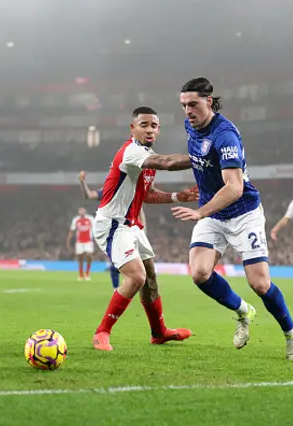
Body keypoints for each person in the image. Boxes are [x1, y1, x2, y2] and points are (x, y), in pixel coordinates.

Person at [171, 77, 293, 360]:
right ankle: (243, 311)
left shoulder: (226, 134)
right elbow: (199, 157)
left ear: (209, 100)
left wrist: (199, 211)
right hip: (212, 212)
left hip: (243, 213)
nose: (187, 111)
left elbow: (234, 187)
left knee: (260, 283)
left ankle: (291, 336)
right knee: (199, 273)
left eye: (193, 104)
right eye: (183, 105)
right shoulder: (190, 125)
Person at [91, 106, 199, 351]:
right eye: (144, 124)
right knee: (136, 276)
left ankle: (158, 332)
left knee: (150, 276)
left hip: (132, 225)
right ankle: (102, 332)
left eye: (154, 126)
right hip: (112, 224)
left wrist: (177, 196)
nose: (150, 129)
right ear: (133, 128)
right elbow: (168, 162)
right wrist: (201, 158)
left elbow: (147, 194)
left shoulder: (146, 157)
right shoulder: (131, 152)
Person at [79, 171, 151, 289]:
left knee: (142, 265)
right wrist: (82, 183)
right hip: (116, 231)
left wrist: (142, 231)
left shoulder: (131, 191)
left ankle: (143, 290)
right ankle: (117, 290)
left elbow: (140, 211)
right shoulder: (108, 191)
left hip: (132, 230)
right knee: (116, 264)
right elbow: (89, 195)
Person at [66, 207, 95, 281]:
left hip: (88, 241)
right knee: (80, 257)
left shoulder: (90, 219)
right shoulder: (76, 220)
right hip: (79, 242)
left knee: (89, 255)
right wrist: (68, 240)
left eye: (83, 212)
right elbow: (72, 230)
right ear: (79, 213)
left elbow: (95, 228)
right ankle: (81, 275)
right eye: (80, 212)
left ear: (85, 212)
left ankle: (87, 273)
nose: (82, 213)